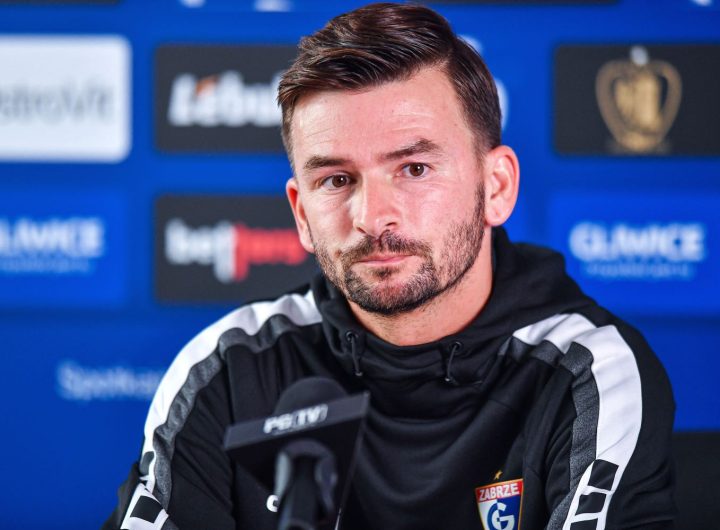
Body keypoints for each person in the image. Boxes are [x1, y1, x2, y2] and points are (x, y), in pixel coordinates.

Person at [105, 3, 675, 529]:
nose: (373, 216)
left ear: (497, 187)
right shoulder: (228, 370)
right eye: (336, 180)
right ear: (301, 213)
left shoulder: (590, 372)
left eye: (414, 169)